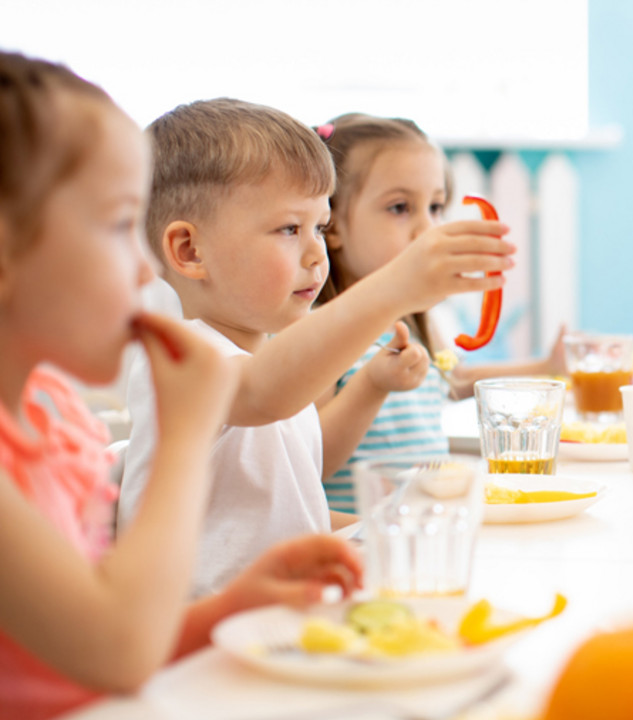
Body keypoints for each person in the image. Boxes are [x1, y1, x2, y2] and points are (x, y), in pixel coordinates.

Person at [0, 52, 363, 720]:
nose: (144, 273)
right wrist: (185, 438)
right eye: (116, 227)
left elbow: (103, 641)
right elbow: (115, 651)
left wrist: (230, 609)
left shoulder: (58, 420)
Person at [117, 99, 515, 596]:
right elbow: (260, 394)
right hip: (198, 640)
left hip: (278, 618)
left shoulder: (270, 366)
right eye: (289, 229)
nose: (315, 252)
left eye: (319, 227)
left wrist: (388, 525)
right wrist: (395, 285)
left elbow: (287, 511)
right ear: (190, 251)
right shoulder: (178, 360)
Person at [313, 113, 565, 512]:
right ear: (331, 223)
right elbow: (309, 463)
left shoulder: (415, 319)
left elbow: (455, 377)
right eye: (399, 207)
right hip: (362, 543)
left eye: (435, 207)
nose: (428, 229)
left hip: (431, 531)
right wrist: (372, 386)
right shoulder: (316, 330)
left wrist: (546, 365)